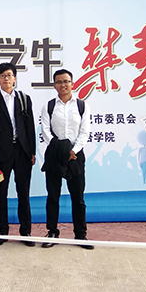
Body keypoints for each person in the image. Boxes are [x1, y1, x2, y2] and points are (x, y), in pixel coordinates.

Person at [0, 63, 36, 247]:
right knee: (1, 193)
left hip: (22, 152)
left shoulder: (24, 99)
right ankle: (2, 232)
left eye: (9, 75)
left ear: (15, 78)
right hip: (0, 155)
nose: (6, 78)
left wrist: (32, 152)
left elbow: (30, 127)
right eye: (2, 75)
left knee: (24, 193)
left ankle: (26, 232)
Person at [40, 69, 93, 249]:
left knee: (78, 198)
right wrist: (60, 149)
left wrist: (73, 150)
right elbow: (45, 131)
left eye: (66, 81)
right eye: (59, 82)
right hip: (54, 155)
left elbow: (84, 132)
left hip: (75, 156)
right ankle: (52, 232)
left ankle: (80, 235)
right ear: (54, 85)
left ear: (72, 83)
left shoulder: (82, 106)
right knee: (52, 197)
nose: (63, 85)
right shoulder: (48, 106)